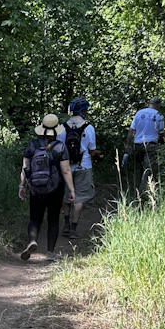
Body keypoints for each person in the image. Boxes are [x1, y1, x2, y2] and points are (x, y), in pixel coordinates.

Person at [19, 114, 76, 262]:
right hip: (55, 189)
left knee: (35, 218)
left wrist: (22, 185)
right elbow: (66, 170)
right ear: (56, 130)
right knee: (53, 219)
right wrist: (71, 189)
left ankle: (32, 240)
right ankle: (50, 252)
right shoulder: (60, 147)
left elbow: (25, 167)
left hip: (35, 187)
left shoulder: (32, 145)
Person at [58, 97, 97, 237]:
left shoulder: (62, 127)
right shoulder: (89, 127)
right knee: (79, 198)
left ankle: (66, 224)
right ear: (83, 111)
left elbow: (58, 149)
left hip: (66, 166)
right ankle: (74, 228)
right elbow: (92, 150)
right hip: (84, 166)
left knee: (67, 195)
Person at [124, 97, 165, 194]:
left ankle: (135, 191)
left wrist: (128, 145)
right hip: (151, 145)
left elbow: (131, 131)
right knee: (148, 170)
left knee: (138, 170)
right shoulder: (159, 115)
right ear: (158, 105)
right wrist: (162, 144)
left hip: (137, 145)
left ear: (149, 103)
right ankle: (143, 194)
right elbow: (162, 134)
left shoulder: (139, 113)